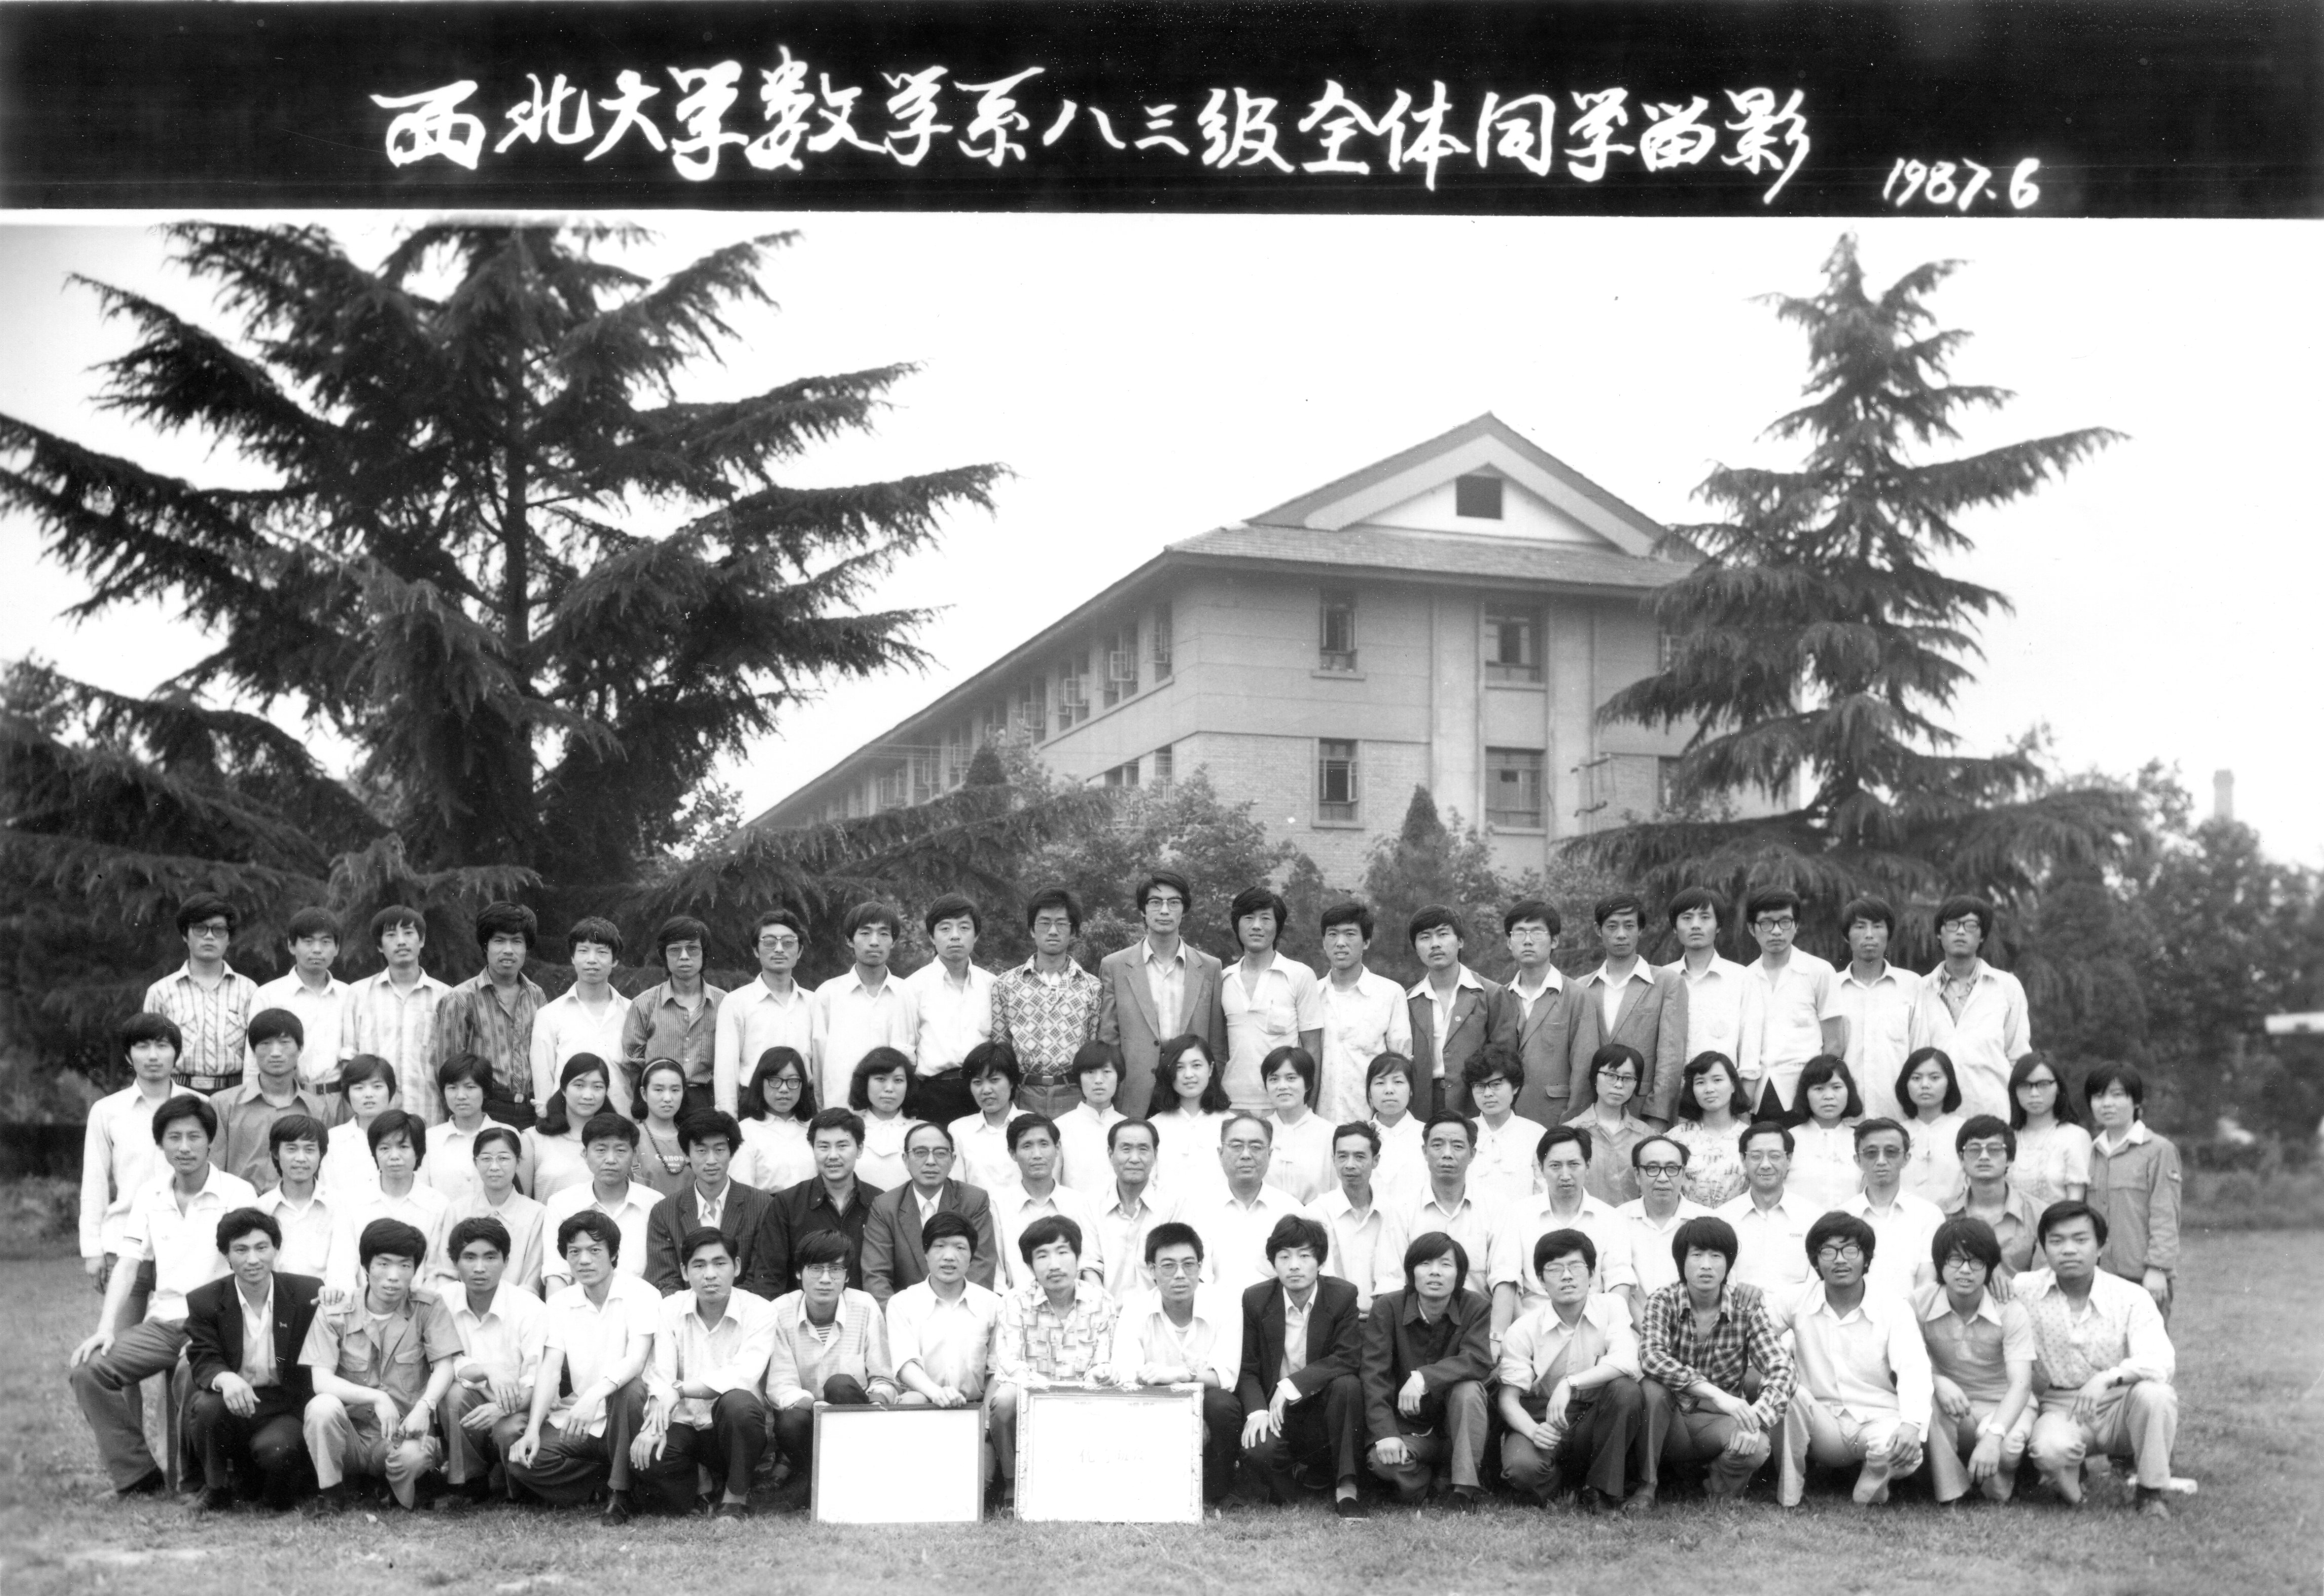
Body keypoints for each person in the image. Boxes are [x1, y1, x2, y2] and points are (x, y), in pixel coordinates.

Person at [2017, 1200, 2180, 1517]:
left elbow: (2162, 1360)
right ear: (2044, 1247)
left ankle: (2150, 1492)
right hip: (2060, 1406)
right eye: (2057, 1241)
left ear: (2101, 1246)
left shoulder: (2130, 1296)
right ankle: (2072, 1482)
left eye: (2081, 1240)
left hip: (2119, 1405)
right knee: (2050, 1449)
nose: (2069, 1250)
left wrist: (2107, 1378)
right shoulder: (2024, 1289)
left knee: (2157, 1395)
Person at [299, 1218, 462, 1511]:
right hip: (351, 1435)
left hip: (404, 1432)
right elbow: (321, 1381)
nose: (393, 1277)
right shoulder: (336, 1312)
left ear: (415, 1269)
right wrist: (377, 1397)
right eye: (383, 1264)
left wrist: (424, 1407)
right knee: (322, 1407)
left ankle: (390, 1486)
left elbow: (445, 1366)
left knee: (412, 1457)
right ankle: (332, 1494)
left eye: (405, 1265)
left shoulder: (428, 1307)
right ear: (366, 1266)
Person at [506, 1211, 657, 1524]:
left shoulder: (642, 1293)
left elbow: (637, 1360)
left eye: (595, 1250)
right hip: (583, 1423)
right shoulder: (560, 1303)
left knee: (628, 1389)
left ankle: (620, 1494)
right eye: (574, 1252)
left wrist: (593, 1396)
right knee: (526, 1462)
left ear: (614, 1254)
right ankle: (610, 1480)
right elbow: (550, 1369)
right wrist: (532, 1430)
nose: (584, 1260)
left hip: (629, 1416)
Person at [1775, 1212, 1932, 1507]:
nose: (1840, 1260)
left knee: (1903, 1453)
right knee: (1787, 1389)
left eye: (1850, 1250)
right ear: (1815, 1260)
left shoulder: (1893, 1307)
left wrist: (1912, 1425)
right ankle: (1789, 1495)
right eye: (1828, 1251)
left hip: (1876, 1419)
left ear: (1866, 1258)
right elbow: (1757, 1334)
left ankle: (1872, 1480)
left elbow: (1915, 1369)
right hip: (1821, 1425)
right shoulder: (1795, 1300)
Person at [1637, 1216, 1795, 1501]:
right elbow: (1651, 1356)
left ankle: (1717, 1479)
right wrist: (1714, 1393)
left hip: (1718, 1421)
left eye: (1716, 1256)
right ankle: (1647, 1485)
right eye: (1697, 1255)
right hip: (1671, 1420)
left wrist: (1756, 1420)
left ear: (1728, 1264)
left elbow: (1781, 1366)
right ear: (1682, 1262)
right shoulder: (1663, 1300)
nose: (1706, 1265)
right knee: (1652, 1388)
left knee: (1757, 1446)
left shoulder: (1745, 1308)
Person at [1498, 1228, 1651, 1512]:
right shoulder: (1523, 1329)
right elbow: (1508, 1400)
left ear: (1592, 1274)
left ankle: (1600, 1491)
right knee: (1522, 1470)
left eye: (1576, 1267)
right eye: (1555, 1269)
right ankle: (1566, 1483)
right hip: (1544, 1418)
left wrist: (1570, 1383)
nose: (1567, 1276)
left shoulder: (1612, 1306)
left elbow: (1627, 1361)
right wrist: (1533, 1431)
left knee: (1626, 1390)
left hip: (1595, 1419)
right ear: (1541, 1281)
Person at [183, 1207, 323, 1512]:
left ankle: (269, 1487)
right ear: (226, 1255)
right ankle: (216, 1488)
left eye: (262, 1248)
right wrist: (225, 1378)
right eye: (241, 1250)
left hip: (284, 1404)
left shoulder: (307, 1292)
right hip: (235, 1400)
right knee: (206, 1407)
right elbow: (204, 1355)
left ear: (276, 1249)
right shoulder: (205, 1300)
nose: (253, 1259)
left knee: (277, 1453)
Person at [635, 1228, 776, 1519]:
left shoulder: (760, 1311)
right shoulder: (670, 1308)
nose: (710, 1274)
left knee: (739, 1402)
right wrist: (654, 1423)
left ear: (737, 1266)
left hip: (734, 1430)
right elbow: (660, 1372)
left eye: (719, 1263)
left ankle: (735, 1499)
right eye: (699, 1265)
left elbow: (743, 1375)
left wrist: (680, 1390)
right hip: (685, 1424)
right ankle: (702, 1483)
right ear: (684, 1272)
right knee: (649, 1454)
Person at [1237, 1214, 1367, 1516]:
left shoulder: (1342, 1295)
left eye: (1304, 1256)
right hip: (1275, 1411)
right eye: (1284, 1257)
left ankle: (1347, 1488)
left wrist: (1291, 1386)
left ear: (1320, 1262)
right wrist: (1257, 1412)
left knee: (1348, 1385)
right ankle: (1293, 1485)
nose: (1294, 1265)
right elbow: (1248, 1368)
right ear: (1274, 1262)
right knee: (1259, 1447)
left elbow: (1348, 1356)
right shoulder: (1256, 1299)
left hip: (1320, 1407)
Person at [987, 1215, 1119, 1511]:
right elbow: (1010, 1362)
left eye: (1062, 1252)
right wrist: (1047, 1392)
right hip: (1032, 1397)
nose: (1054, 1264)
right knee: (1004, 1400)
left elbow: (1103, 1359)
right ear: (1030, 1265)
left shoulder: (1102, 1301)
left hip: (1083, 1399)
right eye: (1042, 1255)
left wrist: (1101, 1374)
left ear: (1078, 1257)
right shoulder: (1014, 1302)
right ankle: (1013, 1483)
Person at [1111, 1222, 1245, 1506]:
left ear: (1201, 1267)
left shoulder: (1226, 1304)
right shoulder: (1135, 1309)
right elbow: (1127, 1375)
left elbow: (1225, 1377)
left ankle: (1218, 1490)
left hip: (1208, 1402)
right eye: (1169, 1266)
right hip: (1155, 1406)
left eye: (1189, 1265)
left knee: (1222, 1405)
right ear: (1152, 1270)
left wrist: (1179, 1376)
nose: (1180, 1275)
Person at [1363, 1231, 1493, 1508]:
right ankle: (1430, 1483)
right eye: (1425, 1264)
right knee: (1382, 1461)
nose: (1435, 1272)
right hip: (1409, 1430)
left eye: (1446, 1264)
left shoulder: (1476, 1307)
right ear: (1412, 1272)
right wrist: (1386, 1434)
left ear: (1459, 1274)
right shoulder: (1387, 1308)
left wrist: (1423, 1377)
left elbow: (1479, 1359)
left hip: (1455, 1431)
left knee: (1469, 1389)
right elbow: (1374, 1377)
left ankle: (1463, 1491)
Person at [1916, 1216, 2036, 1505]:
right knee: (1927, 1398)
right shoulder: (1921, 1302)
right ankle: (1951, 1492)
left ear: (1990, 1267)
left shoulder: (2010, 1310)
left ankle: (2009, 1477)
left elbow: (2021, 1385)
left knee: (2006, 1448)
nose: (1965, 1270)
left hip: (2004, 1405)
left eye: (1976, 1262)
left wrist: (1994, 1436)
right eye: (1955, 1260)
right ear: (1940, 1263)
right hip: (1955, 1406)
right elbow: (1901, 1362)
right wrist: (1936, 1381)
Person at [1096, 868, 1228, 1122]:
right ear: (1143, 910)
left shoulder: (1210, 967)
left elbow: (1216, 1045)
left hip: (1192, 1090)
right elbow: (1108, 1039)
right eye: (1156, 902)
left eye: (1174, 903)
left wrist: (1211, 1091)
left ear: (1184, 910)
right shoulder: (1115, 965)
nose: (1165, 911)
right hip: (1134, 1092)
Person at [79, 1012, 192, 1302]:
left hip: (187, 1246)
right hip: (125, 1244)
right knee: (119, 1331)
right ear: (129, 1056)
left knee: (184, 1330)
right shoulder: (107, 1111)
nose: (153, 1056)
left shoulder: (199, 1106)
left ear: (176, 1054)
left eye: (162, 1046)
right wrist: (92, 1250)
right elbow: (94, 1182)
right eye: (143, 1047)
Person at [437, 1215, 546, 1505]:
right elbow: (443, 1362)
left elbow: (538, 1380)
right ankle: (469, 1482)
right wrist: (487, 1369)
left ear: (506, 1261)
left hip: (519, 1407)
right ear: (455, 1262)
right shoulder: (442, 1300)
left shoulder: (529, 1308)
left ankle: (518, 1489)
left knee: (508, 1429)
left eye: (490, 1257)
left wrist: (502, 1408)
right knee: (454, 1393)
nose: (480, 1268)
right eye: (469, 1257)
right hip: (472, 1402)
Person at [1397, 1110, 1522, 1347]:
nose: (1447, 1154)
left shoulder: (1497, 1207)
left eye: (1457, 1146)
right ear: (1424, 1151)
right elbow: (1392, 1281)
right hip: (1417, 1332)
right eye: (1437, 1145)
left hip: (1479, 1328)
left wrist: (1495, 1340)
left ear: (1472, 1154)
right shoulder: (1402, 1209)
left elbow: (1505, 1279)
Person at [1910, 895, 2036, 1122]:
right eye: (1952, 924)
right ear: (1939, 933)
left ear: (1982, 936)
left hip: (1994, 1114)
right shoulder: (1920, 989)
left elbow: (2019, 1058)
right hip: (1935, 1118)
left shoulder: (2006, 987)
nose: (1961, 932)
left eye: (1970, 925)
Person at [1565, 894, 1687, 1126]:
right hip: (1590, 1114)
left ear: (1640, 930)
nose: (1621, 934)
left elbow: (1671, 1060)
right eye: (1612, 926)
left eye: (1629, 926)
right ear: (1598, 930)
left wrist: (1658, 1118)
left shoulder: (1666, 982)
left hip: (1642, 1110)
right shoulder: (1581, 987)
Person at [989, 887, 1104, 1119]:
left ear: (1073, 931)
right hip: (1022, 1094)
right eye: (1044, 923)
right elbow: (1001, 1047)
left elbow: (1093, 1049)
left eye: (1061, 923)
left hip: (1073, 1095)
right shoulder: (1006, 984)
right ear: (1032, 930)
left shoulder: (1092, 987)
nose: (1053, 931)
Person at [432, 902, 548, 1130]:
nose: (508, 950)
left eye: (517, 941)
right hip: (484, 1110)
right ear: (486, 946)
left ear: (527, 947)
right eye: (499, 941)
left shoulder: (537, 995)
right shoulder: (461, 999)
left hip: (532, 1111)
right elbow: (448, 1071)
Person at [860, 1120, 999, 1303]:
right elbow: (876, 1276)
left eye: (940, 1153)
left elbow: (982, 1267)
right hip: (905, 1314)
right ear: (905, 1159)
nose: (931, 1162)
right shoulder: (886, 1206)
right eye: (920, 1152)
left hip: (961, 1313)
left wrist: (958, 1314)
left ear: (953, 1160)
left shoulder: (973, 1200)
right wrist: (899, 1317)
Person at [642, 1110, 777, 1297]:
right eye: (702, 1151)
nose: (711, 1160)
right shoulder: (665, 1211)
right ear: (687, 1155)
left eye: (719, 1150)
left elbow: (761, 1276)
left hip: (745, 1309)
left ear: (731, 1153)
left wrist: (725, 1307)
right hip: (684, 1311)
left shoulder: (762, 1205)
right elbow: (664, 1280)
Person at [887, 1210, 1003, 1425]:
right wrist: (936, 1393)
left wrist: (985, 1423)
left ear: (971, 1256)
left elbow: (997, 1371)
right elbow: (905, 1364)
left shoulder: (993, 1304)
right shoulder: (902, 1303)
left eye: (960, 1248)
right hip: (924, 1403)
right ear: (925, 1253)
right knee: (913, 1400)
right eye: (940, 1246)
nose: (949, 1256)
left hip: (975, 1408)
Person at [2082, 1062, 2180, 1315]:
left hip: (2143, 1278)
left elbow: (2165, 1214)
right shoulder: (2089, 1152)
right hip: (2097, 1277)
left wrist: (2158, 1269)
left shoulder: (2159, 1150)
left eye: (2117, 1095)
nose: (2107, 1104)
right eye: (2098, 1096)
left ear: (2136, 1102)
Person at [753, 1107, 885, 1295]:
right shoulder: (787, 1203)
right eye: (824, 1146)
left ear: (860, 1149)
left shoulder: (880, 1203)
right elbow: (769, 1276)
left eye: (842, 1146)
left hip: (864, 1310)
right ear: (813, 1149)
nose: (833, 1156)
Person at [324, 1110, 453, 1299]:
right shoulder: (351, 1201)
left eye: (403, 1147)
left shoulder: (438, 1205)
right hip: (361, 1305)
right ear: (374, 1153)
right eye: (384, 1148)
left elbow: (438, 1272)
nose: (394, 1156)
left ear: (418, 1152)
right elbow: (342, 1267)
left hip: (418, 1306)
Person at [342, 905, 453, 1122]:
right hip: (374, 1119)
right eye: (391, 935)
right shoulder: (359, 994)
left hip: (429, 1115)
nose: (401, 942)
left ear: (422, 940)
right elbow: (349, 1059)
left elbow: (451, 1061)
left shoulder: (445, 997)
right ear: (380, 946)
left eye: (409, 933)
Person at [1218, 885, 1324, 1113]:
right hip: (1231, 1103)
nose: (1257, 926)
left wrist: (1307, 1108)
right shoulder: (1224, 978)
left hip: (1285, 1104)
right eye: (1249, 918)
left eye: (1266, 919)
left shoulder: (1299, 975)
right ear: (1237, 925)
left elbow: (1313, 1048)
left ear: (1278, 927)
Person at [144, 891, 259, 1094]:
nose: (209, 936)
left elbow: (257, 1051)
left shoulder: (249, 991)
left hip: (234, 1094)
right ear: (185, 935)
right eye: (200, 929)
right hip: (178, 1093)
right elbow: (149, 1051)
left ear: (229, 938)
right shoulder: (160, 992)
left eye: (219, 930)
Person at [1404, 905, 1513, 1119]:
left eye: (1443, 934)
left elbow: (1506, 1062)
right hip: (1421, 1106)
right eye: (1425, 937)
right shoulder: (1408, 1000)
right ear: (1416, 947)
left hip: (1475, 1104)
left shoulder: (1491, 994)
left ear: (1460, 941)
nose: (1435, 944)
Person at [1740, 888, 1841, 1119]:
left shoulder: (1819, 971)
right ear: (1751, 928)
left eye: (1785, 922)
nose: (1777, 931)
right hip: (1757, 1095)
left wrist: (1817, 1090)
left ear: (1796, 925)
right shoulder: (1744, 978)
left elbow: (1835, 1043)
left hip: (1806, 1093)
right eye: (1766, 923)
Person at [1660, 888, 1764, 1110]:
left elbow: (1750, 1047)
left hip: (1725, 1101)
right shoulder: (1663, 978)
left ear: (1718, 926)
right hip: (1672, 1100)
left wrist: (1743, 1108)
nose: (1696, 925)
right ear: (1675, 927)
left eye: (1705, 917)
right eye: (1687, 918)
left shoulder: (1741, 978)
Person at [212, 1007, 334, 1194]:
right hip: (239, 1205)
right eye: (266, 1044)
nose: (276, 1053)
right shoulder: (223, 1104)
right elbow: (214, 1167)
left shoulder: (317, 1109)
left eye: (285, 1043)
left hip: (295, 1204)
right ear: (253, 1051)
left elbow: (324, 1172)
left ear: (300, 1049)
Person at [901, 893, 996, 1128]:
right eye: (945, 928)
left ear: (976, 935)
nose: (955, 936)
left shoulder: (993, 985)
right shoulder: (913, 987)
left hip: (983, 1093)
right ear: (931, 936)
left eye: (964, 928)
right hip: (933, 1095)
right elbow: (905, 1051)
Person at [1313, 899, 1413, 1125]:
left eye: (1350, 934)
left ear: (1366, 942)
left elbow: (1402, 1063)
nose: (1340, 943)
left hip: (1373, 1125)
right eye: (1332, 934)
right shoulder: (1312, 994)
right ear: (1324, 941)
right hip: (1320, 1123)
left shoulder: (1390, 994)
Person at [1184, 1112, 1306, 1290]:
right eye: (1236, 1146)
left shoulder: (1291, 1210)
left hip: (1274, 1307)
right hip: (1214, 1306)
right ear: (1220, 1154)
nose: (1246, 1155)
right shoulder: (1198, 1208)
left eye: (1256, 1147)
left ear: (1270, 1154)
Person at [713, 908, 818, 1118]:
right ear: (756, 950)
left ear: (799, 951)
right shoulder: (736, 1002)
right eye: (769, 942)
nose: (779, 949)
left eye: (788, 943)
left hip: (803, 1106)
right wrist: (728, 1120)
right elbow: (726, 1070)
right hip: (753, 1105)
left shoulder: (814, 1002)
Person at [538, 1113, 660, 1291]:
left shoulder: (655, 1203)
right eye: (601, 1150)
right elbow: (556, 1273)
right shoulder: (562, 1204)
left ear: (634, 1155)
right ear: (585, 1154)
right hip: (579, 1305)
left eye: (620, 1150)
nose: (611, 1160)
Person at [1824, 895, 1919, 1122]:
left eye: (1877, 926)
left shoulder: (1912, 985)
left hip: (1900, 1116)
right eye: (1860, 927)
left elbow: (1920, 1049)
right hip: (1844, 1119)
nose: (1869, 935)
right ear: (1846, 936)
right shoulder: (1831, 987)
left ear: (1889, 934)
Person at [530, 916, 634, 1118]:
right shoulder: (549, 1015)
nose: (592, 960)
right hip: (566, 1125)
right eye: (584, 951)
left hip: (622, 1123)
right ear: (573, 957)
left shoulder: (632, 1012)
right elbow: (543, 1081)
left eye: (602, 952)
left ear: (615, 960)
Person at [991, 1112, 1108, 1291]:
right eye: (1027, 1146)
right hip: (1015, 1304)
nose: (1037, 1155)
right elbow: (997, 1275)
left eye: (1044, 1144)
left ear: (1057, 1148)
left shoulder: (1080, 1203)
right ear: (1013, 1153)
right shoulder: (998, 1205)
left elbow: (1088, 1264)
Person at [1513, 1125, 1629, 1305]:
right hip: (1535, 1315)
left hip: (1594, 1315)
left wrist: (1608, 1319)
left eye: (1574, 1164)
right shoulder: (1518, 1215)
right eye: (1555, 1166)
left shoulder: (1610, 1218)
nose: (1565, 1175)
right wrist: (1525, 1323)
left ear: (1587, 1166)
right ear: (1541, 1169)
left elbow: (1619, 1280)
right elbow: (1508, 1279)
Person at [621, 917, 723, 1115]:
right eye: (675, 949)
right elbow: (633, 1065)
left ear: (705, 953)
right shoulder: (644, 1004)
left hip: (707, 1102)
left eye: (693, 948)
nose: (684, 956)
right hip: (658, 1103)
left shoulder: (724, 1004)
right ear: (664, 955)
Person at [249, 907, 352, 1105]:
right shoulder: (268, 995)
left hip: (338, 1100)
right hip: (286, 1099)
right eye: (308, 941)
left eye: (326, 942)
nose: (317, 950)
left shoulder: (349, 995)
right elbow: (254, 1059)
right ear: (291, 946)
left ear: (337, 948)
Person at [1716, 1121, 1818, 1312]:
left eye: (1775, 1156)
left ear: (1789, 1159)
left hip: (1796, 1321)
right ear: (1743, 1160)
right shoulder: (1722, 1219)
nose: (1765, 1165)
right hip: (1738, 1319)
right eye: (1756, 1156)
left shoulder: (1813, 1217)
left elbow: (1817, 1284)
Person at [1606, 1135, 1712, 1316]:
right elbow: (1617, 1288)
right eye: (1652, 1168)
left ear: (1683, 1174)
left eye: (1672, 1169)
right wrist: (1649, 1330)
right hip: (1633, 1327)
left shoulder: (1708, 1221)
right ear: (1637, 1175)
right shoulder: (1616, 1220)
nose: (1663, 1178)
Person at [1844, 1118, 1946, 1299]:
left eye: (1891, 1152)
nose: (1881, 1161)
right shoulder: (1843, 1216)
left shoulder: (1929, 1215)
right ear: (1858, 1160)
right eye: (1871, 1153)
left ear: (1906, 1159)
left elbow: (1927, 1282)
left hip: (1911, 1314)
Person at [1307, 1123, 1400, 1313]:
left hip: (1383, 1318)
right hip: (1335, 1318)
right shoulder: (1317, 1212)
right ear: (1334, 1160)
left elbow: (1394, 1276)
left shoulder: (1392, 1212)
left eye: (1359, 1157)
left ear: (1376, 1161)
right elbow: (1321, 1275)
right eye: (1342, 1156)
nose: (1350, 1165)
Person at [445, 1125, 548, 1296]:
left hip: (519, 1306)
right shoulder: (457, 1210)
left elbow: (532, 1278)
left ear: (518, 1162)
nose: (494, 1167)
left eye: (503, 1158)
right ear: (475, 1163)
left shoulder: (537, 1214)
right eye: (486, 1159)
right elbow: (447, 1271)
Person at [1500, 899, 1576, 1129]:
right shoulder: (1500, 996)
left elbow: (1584, 1071)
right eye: (1519, 933)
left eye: (1537, 932)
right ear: (1509, 942)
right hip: (1506, 1119)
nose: (1528, 940)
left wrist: (1572, 1124)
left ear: (1555, 940)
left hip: (1557, 1117)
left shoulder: (1576, 995)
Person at [1094, 1118, 1180, 1301]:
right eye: (1126, 1149)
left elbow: (1179, 1267)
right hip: (1103, 1312)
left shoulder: (1175, 1204)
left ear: (1155, 1154)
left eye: (1143, 1149)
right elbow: (1089, 1268)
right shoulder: (1092, 1204)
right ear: (1110, 1154)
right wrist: (1105, 1310)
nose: (1134, 1159)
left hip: (1159, 1311)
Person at [1950, 1115, 2041, 1277]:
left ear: (2010, 1159)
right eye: (1974, 1150)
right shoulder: (1944, 1213)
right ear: (1961, 1159)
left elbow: (2043, 1279)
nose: (1984, 1157)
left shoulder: (2039, 1213)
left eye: (1994, 1149)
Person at [1566, 1044, 1656, 1207]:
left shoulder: (1647, 1136)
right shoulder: (1570, 1132)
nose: (1619, 1085)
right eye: (1611, 1075)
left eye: (1628, 1078)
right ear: (1595, 1077)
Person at [256, 1114, 343, 1281]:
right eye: (292, 1149)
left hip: (326, 1295)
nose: (301, 1158)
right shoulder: (262, 1208)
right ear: (276, 1153)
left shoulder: (338, 1204)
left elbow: (344, 1269)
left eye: (310, 1150)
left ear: (321, 1154)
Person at [1147, 1033, 1233, 1200]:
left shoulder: (1231, 1124)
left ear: (1211, 1069)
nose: (1189, 1075)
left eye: (1196, 1066)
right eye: (1179, 1067)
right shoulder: (1153, 1127)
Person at [521, 1053, 613, 1202]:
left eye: (597, 1087)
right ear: (564, 1089)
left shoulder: (616, 1139)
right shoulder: (533, 1140)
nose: (588, 1095)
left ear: (606, 1091)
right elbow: (521, 1203)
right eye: (579, 1085)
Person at [2009, 1051, 2093, 1209]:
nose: (2034, 1093)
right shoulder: (2007, 1137)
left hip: (2058, 1223)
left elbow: (2075, 1203)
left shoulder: (2075, 1137)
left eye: (2043, 1084)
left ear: (2058, 1087)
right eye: (2025, 1085)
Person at [1668, 1052, 1750, 1207]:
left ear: (1733, 1085)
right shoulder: (1675, 1138)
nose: (1709, 1089)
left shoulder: (1751, 1138)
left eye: (1717, 1080)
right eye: (1700, 1082)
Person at [1786, 1055, 1866, 1213]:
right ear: (1805, 1094)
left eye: (1836, 1087)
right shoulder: (1789, 1138)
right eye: (1819, 1089)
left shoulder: (1862, 1140)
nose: (1829, 1096)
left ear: (1849, 1091)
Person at [1463, 1047, 1539, 1209]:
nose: (1487, 1094)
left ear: (1515, 1087)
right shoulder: (1463, 1132)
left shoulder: (1535, 1134)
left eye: (1496, 1084)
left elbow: (1543, 1191)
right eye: (1479, 1086)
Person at [735, 1045, 818, 1193]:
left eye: (793, 1081)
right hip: (766, 1205)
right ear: (760, 1083)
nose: (784, 1089)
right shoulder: (745, 1131)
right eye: (775, 1080)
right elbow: (741, 1193)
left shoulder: (814, 1128)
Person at [1259, 1045, 1334, 1204]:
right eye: (1274, 1079)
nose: (1282, 1086)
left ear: (1308, 1084)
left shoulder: (1329, 1133)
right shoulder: (1258, 1131)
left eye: (1291, 1078)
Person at [946, 1041, 1023, 1193]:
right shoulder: (958, 1130)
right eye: (977, 1082)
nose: (986, 1090)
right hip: (975, 1208)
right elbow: (956, 1188)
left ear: (1012, 1082)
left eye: (994, 1080)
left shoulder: (1034, 1125)